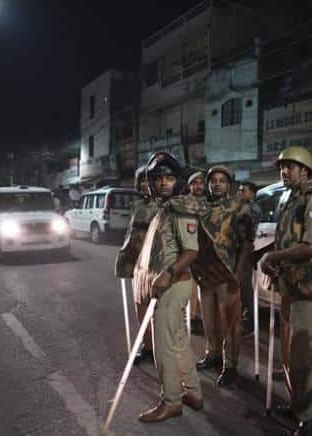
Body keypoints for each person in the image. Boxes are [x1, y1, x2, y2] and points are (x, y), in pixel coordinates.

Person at [261, 146, 312, 436]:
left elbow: (310, 248)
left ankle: (309, 417)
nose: (284, 172)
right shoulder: (293, 199)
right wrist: (268, 255)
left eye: (290, 167)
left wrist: (274, 258)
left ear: (305, 171)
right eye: (282, 167)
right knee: (294, 351)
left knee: (301, 355)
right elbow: (286, 241)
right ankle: (299, 404)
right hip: (292, 284)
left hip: (308, 286)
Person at [133, 152, 203, 423]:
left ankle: (171, 401)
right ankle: (193, 392)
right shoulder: (163, 208)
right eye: (158, 178)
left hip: (173, 285)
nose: (163, 182)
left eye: (169, 177)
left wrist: (167, 274)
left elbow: (191, 251)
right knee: (178, 342)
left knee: (164, 347)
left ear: (178, 181)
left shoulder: (181, 208)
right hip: (166, 285)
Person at [195, 165, 253, 387]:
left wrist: (237, 274)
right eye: (213, 180)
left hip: (227, 272)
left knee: (230, 322)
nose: (217, 183)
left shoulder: (239, 207)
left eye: (222, 180)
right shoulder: (202, 207)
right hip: (205, 273)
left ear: (229, 185)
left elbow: (247, 243)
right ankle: (213, 354)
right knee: (208, 319)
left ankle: (231, 365)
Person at [115, 165, 159, 365]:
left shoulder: (165, 205)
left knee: (159, 314)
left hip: (156, 266)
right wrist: (124, 259)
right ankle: (148, 347)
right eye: (141, 180)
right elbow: (130, 235)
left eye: (147, 179)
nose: (144, 184)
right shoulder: (137, 205)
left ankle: (161, 352)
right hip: (136, 264)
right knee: (140, 311)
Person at [236, 181, 261, 332]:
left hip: (245, 252)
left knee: (245, 287)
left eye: (243, 190)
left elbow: (237, 222)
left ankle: (251, 320)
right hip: (239, 251)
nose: (239, 193)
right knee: (241, 287)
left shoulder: (252, 209)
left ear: (252, 193)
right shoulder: (243, 206)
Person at [187, 171, 206, 333]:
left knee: (204, 286)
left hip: (205, 252)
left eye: (201, 182)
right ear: (190, 185)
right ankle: (192, 317)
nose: (198, 186)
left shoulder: (208, 203)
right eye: (195, 182)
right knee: (191, 287)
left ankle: (200, 316)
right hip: (189, 250)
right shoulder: (184, 203)